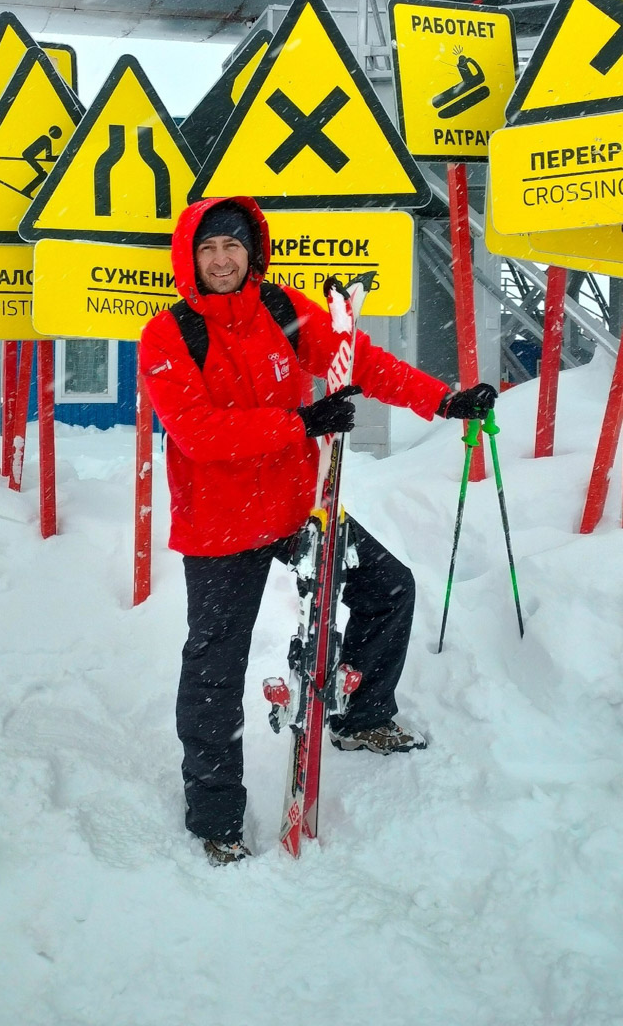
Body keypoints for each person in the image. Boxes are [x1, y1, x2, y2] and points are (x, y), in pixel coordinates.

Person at [140, 196, 497, 867]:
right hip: (221, 530)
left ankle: (360, 716)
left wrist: (443, 399)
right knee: (216, 667)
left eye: (232, 247)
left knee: (389, 588)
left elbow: (357, 360)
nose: (221, 260)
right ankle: (215, 813)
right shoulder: (169, 335)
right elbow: (198, 433)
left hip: (294, 508)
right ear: (191, 259)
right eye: (208, 249)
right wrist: (299, 424)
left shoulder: (280, 309)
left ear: (252, 251)